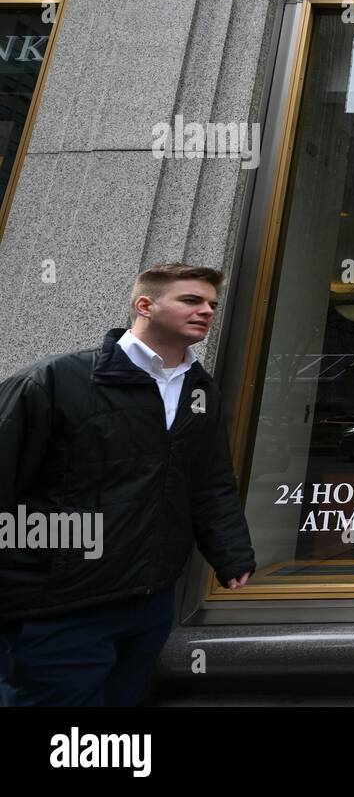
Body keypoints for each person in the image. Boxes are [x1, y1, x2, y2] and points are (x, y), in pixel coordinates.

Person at [0, 263, 256, 706]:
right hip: (61, 603)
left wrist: (230, 553)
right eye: (191, 300)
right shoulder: (58, 379)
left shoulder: (200, 390)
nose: (207, 311)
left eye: (212, 304)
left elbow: (210, 480)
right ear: (145, 305)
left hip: (149, 599)